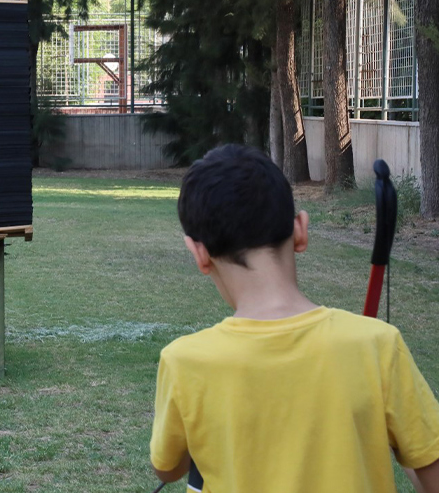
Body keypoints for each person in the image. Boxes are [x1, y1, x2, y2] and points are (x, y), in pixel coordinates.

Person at [150, 144, 439, 492]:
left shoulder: (184, 361)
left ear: (199, 254)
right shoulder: (377, 344)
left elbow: (167, 468)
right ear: (300, 230)